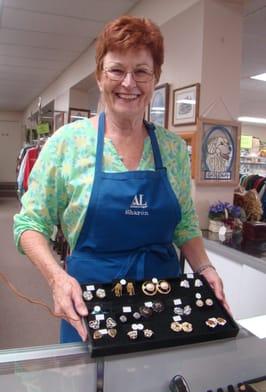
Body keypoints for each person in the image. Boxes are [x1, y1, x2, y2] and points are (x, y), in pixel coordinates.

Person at [13, 16, 230, 344]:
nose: (129, 83)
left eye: (141, 71)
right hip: (89, 304)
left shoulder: (172, 149)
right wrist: (56, 278)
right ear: (100, 76)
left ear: (154, 79)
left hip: (164, 303)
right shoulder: (67, 144)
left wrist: (205, 268)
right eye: (117, 70)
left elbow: (184, 225)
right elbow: (29, 225)